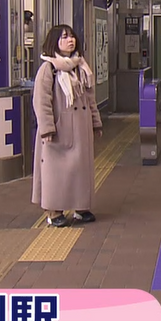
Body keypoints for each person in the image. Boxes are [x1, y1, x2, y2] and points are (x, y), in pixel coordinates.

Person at [32, 25, 103, 228]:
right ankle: (54, 211)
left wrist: (96, 122)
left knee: (80, 170)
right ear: (55, 41)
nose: (70, 40)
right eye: (64, 37)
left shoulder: (81, 67)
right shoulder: (48, 68)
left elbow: (90, 98)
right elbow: (42, 101)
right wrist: (47, 128)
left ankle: (81, 207)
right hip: (59, 131)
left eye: (72, 36)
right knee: (56, 172)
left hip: (80, 130)